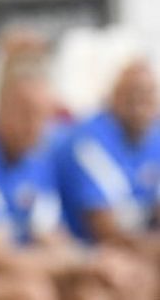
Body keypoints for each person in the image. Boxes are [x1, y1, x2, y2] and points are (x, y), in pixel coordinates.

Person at [0, 53, 145, 300]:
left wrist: (95, 263)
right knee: (30, 293)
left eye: (43, 116)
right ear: (2, 107)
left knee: (94, 289)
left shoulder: (35, 158)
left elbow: (49, 233)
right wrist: (87, 262)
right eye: (25, 113)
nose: (34, 125)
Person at [54, 58, 160, 267]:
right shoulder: (89, 143)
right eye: (131, 94)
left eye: (148, 94)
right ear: (113, 97)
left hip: (138, 245)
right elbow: (105, 230)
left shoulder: (154, 136)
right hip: (89, 251)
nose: (140, 103)